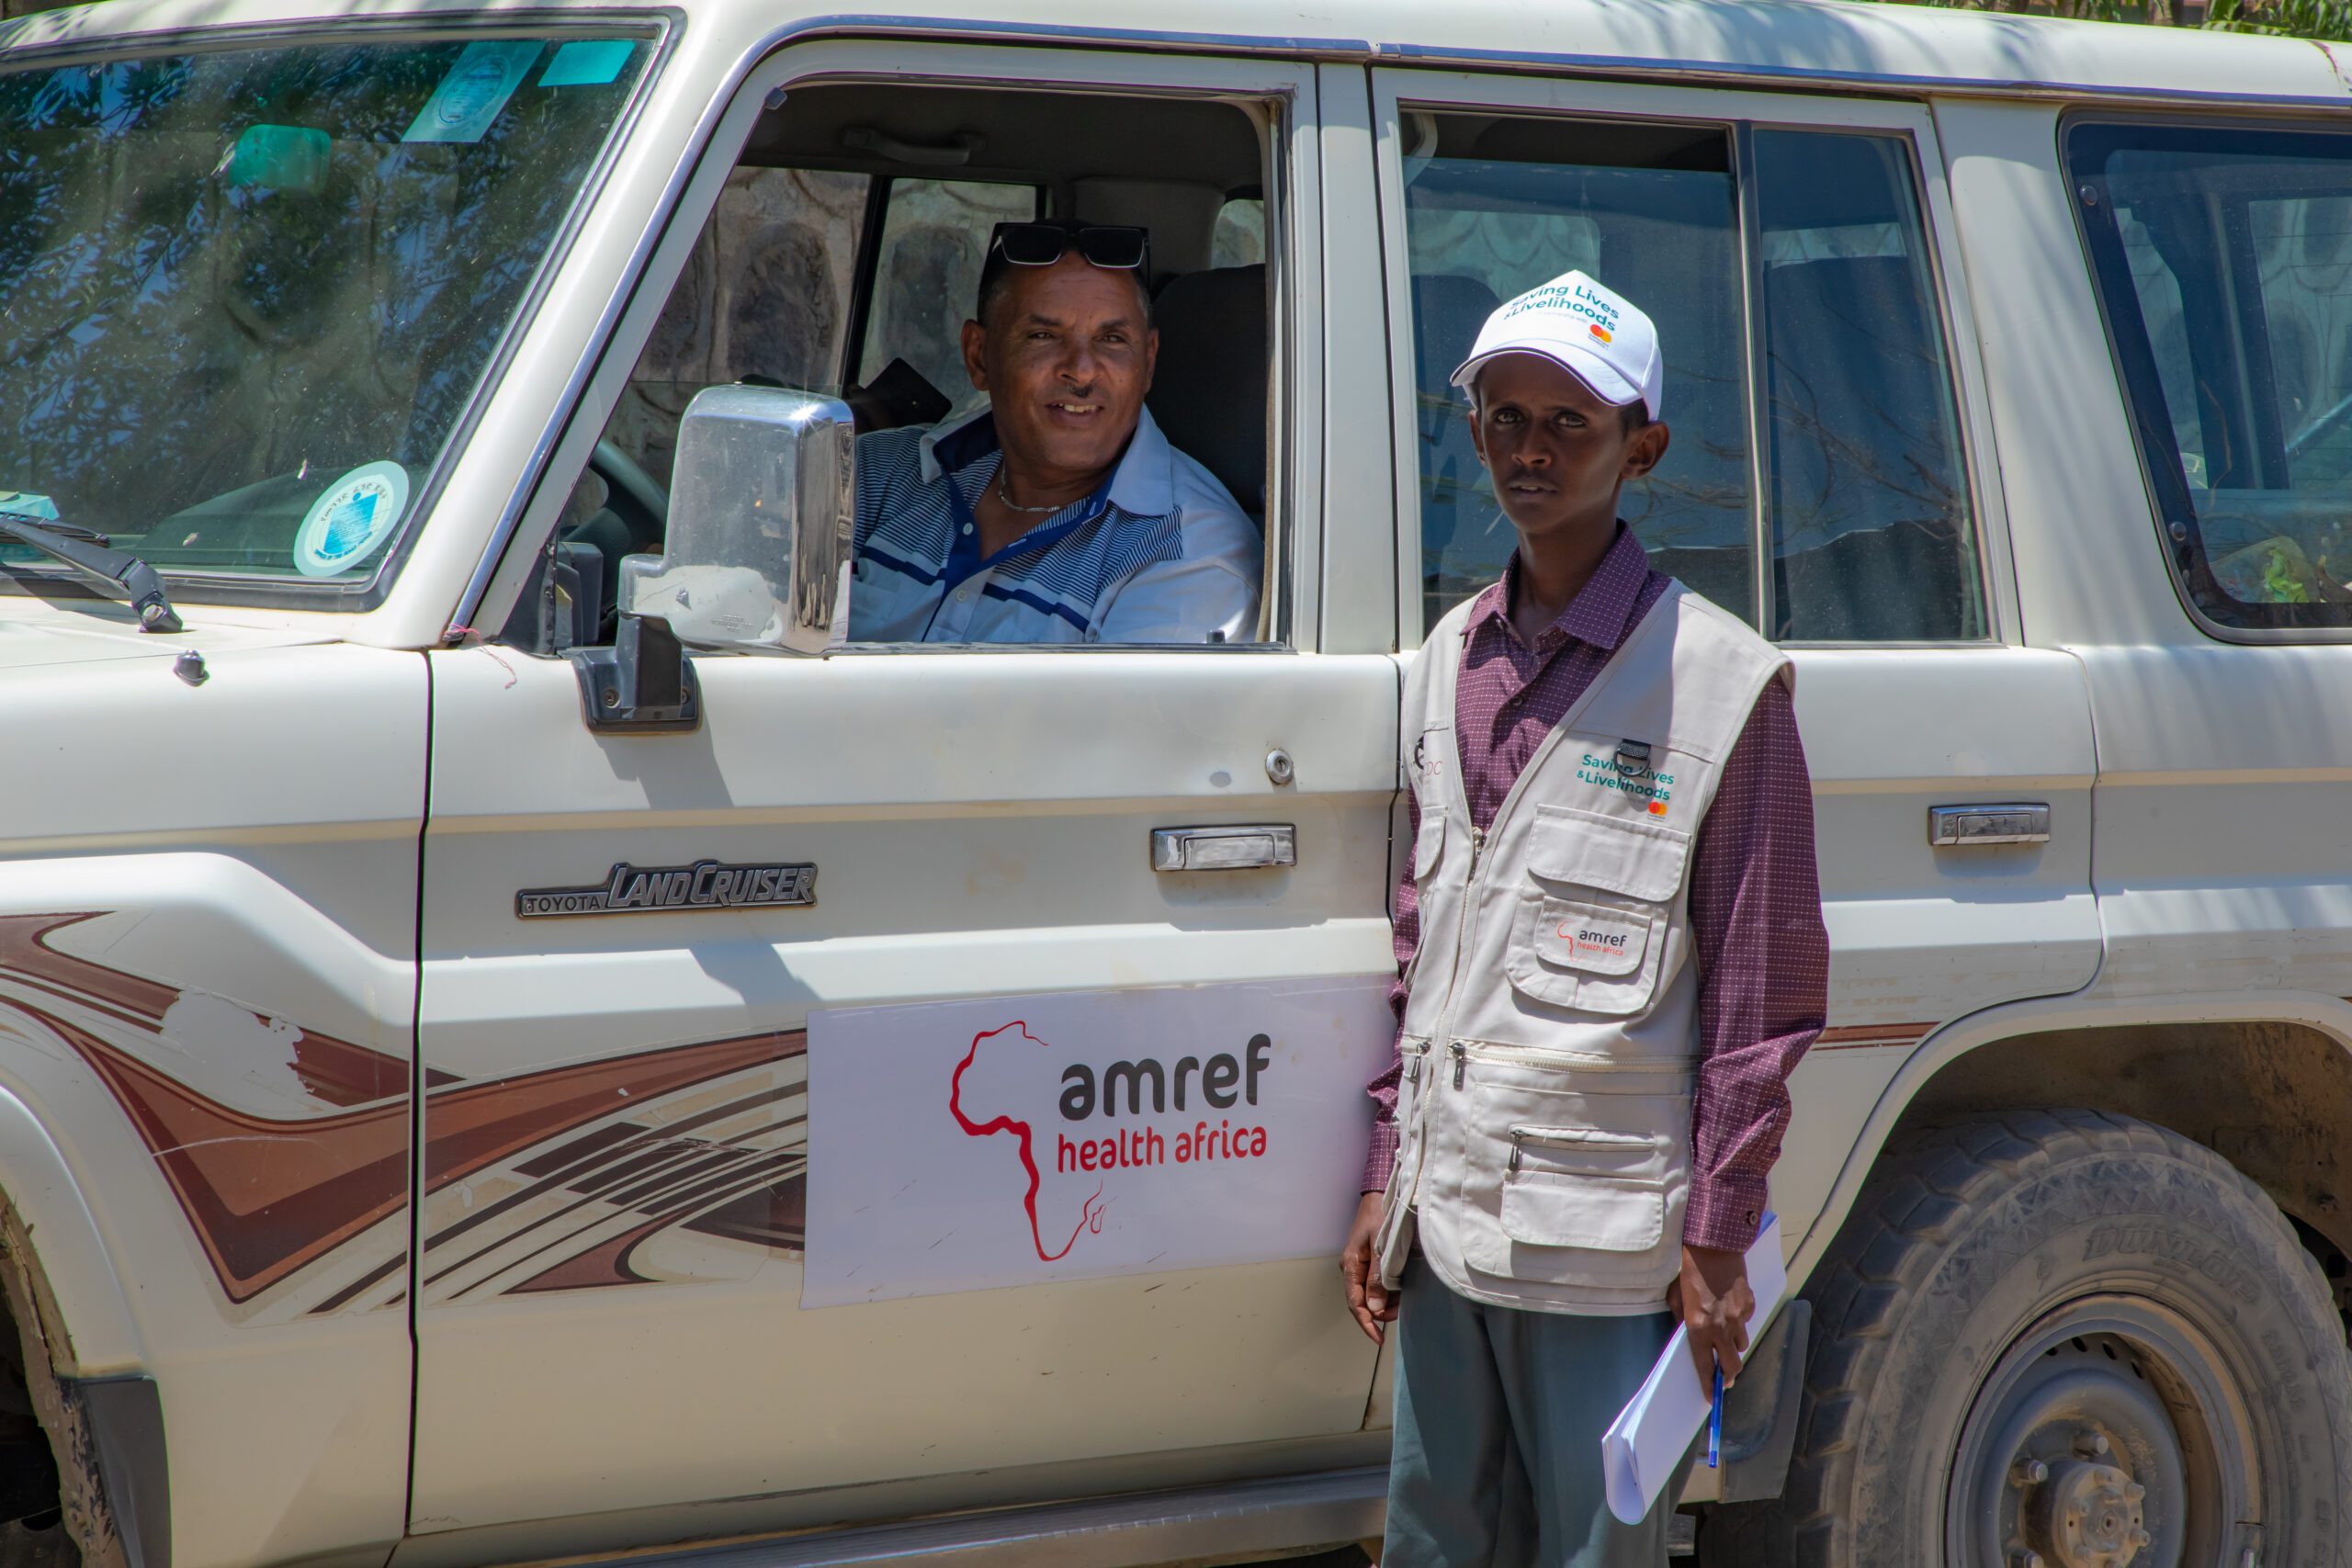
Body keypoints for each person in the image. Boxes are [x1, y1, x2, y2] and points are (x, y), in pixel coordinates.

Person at [1338, 269, 1829, 1566]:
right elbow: (1424, 949)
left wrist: (1720, 1229)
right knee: (1437, 1534)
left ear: (1643, 447)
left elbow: (1759, 994)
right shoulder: (1449, 658)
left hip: (1604, 1248)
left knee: (1593, 1546)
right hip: (1447, 1232)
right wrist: (1389, 1178)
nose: (1533, 450)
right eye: (1507, 418)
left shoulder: (1724, 683)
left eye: (1572, 422)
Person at [847, 220, 1261, 644]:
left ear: (1148, 362)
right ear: (979, 357)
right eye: (1043, 335)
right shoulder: (882, 472)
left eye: (1113, 339)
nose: (1081, 370)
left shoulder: (1187, 554)